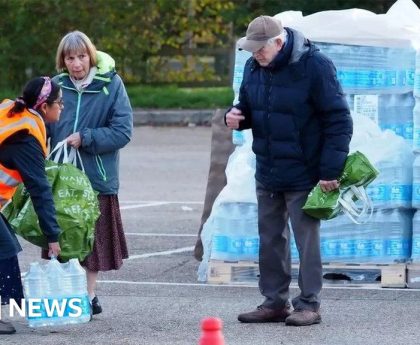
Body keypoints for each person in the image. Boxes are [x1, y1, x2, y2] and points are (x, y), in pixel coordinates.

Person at [225, 16, 353, 326]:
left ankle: (309, 304)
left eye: (260, 50)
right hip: (268, 167)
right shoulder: (253, 66)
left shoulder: (315, 66)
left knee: (306, 241)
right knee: (270, 239)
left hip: (306, 170)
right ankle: (274, 302)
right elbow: (248, 107)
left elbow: (338, 121)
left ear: (279, 43)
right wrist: (237, 117)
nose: (255, 55)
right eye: (252, 50)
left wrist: (330, 170)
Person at [46, 30, 133, 316]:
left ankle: (88, 294)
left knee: (92, 242)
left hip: (96, 178)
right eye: (70, 58)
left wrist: (87, 137)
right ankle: (64, 293)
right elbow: (41, 124)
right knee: (60, 238)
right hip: (60, 178)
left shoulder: (111, 84)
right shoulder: (55, 86)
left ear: (91, 56)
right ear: (63, 60)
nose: (76, 63)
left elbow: (122, 131)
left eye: (82, 56)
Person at [0, 77, 62, 334]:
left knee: (6, 247)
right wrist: (53, 237)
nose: (62, 107)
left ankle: (13, 305)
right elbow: (40, 190)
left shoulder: (14, 114)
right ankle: (12, 305)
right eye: (59, 103)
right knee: (4, 249)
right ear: (45, 107)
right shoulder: (25, 137)